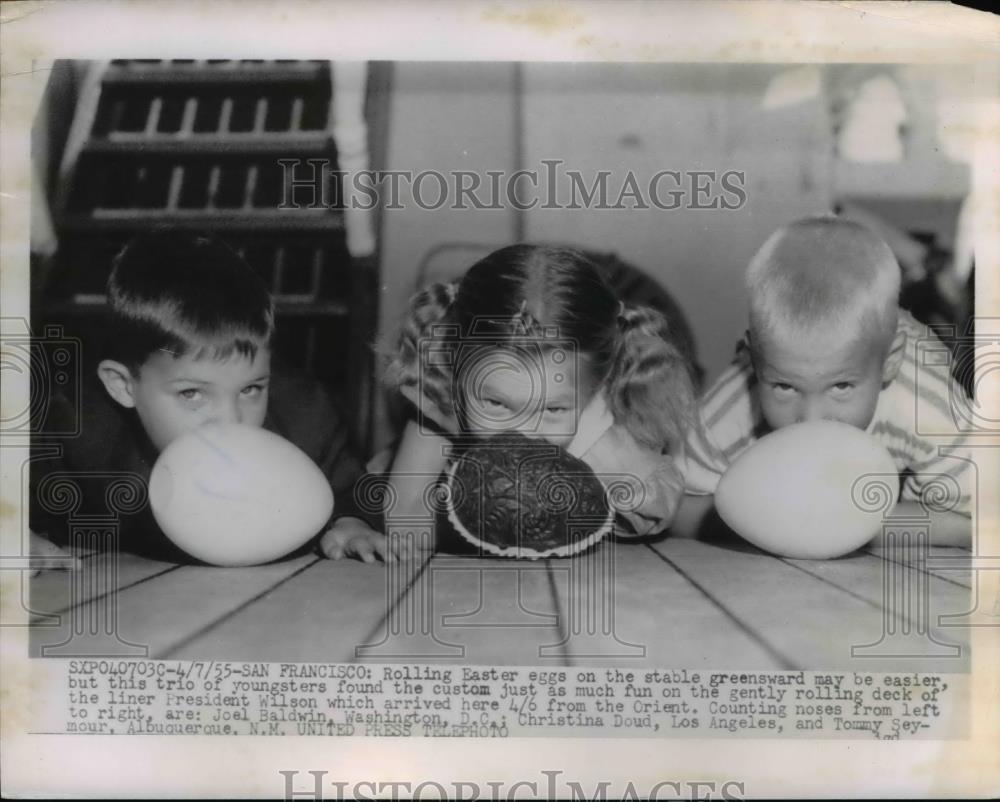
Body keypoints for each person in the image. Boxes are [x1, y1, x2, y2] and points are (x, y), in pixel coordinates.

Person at [322, 244, 697, 561]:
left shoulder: (610, 430)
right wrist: (354, 527)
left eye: (553, 410)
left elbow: (654, 512)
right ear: (456, 371)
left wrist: (584, 454)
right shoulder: (445, 408)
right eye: (497, 404)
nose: (522, 433)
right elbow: (404, 527)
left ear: (595, 390)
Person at [30, 229, 381, 566]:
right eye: (192, 394)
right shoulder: (76, 430)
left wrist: (351, 525)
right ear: (123, 386)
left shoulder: (305, 414)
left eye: (250, 389)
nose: (230, 419)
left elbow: (352, 491)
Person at [677, 216, 973, 546]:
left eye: (841, 386)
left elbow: (977, 523)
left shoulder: (926, 405)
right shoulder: (733, 407)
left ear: (890, 363)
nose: (811, 419)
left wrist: (857, 526)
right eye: (785, 387)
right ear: (754, 361)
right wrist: (766, 518)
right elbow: (676, 507)